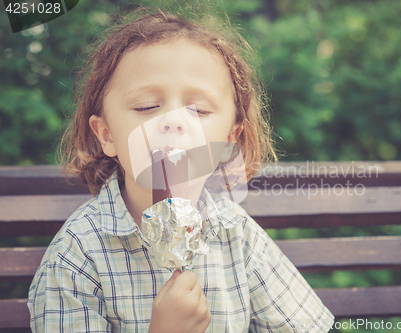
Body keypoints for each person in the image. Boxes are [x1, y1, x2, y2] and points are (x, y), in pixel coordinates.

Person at [27, 7, 335, 333]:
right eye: (147, 106)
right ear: (106, 135)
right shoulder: (77, 254)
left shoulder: (236, 234)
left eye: (199, 109)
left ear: (229, 141)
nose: (173, 121)